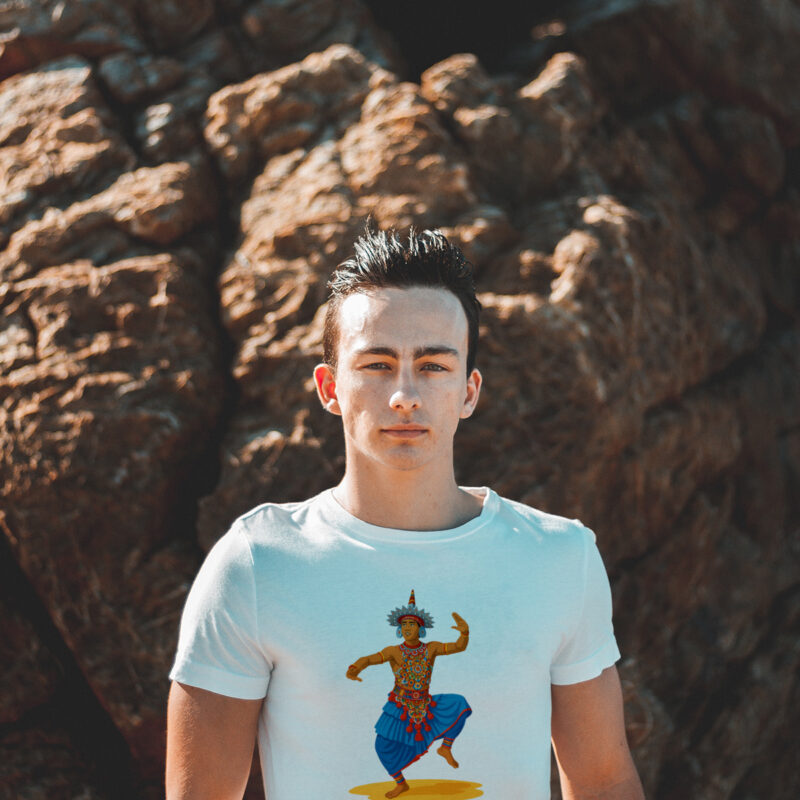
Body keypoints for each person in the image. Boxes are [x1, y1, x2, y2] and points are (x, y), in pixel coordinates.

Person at [166, 226, 646, 799]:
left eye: (434, 366)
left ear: (469, 392)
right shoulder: (256, 565)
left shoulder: (560, 558)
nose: (404, 394)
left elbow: (603, 782)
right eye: (376, 364)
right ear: (329, 387)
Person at [347, 590, 472, 796]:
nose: (406, 628)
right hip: (400, 707)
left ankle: (446, 747)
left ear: (420, 628)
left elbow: (459, 646)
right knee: (381, 745)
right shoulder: (393, 651)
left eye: (411, 624)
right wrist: (355, 668)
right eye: (403, 625)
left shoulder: (431, 648)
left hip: (425, 705)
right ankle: (401, 783)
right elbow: (368, 659)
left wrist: (464, 632)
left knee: (460, 704)